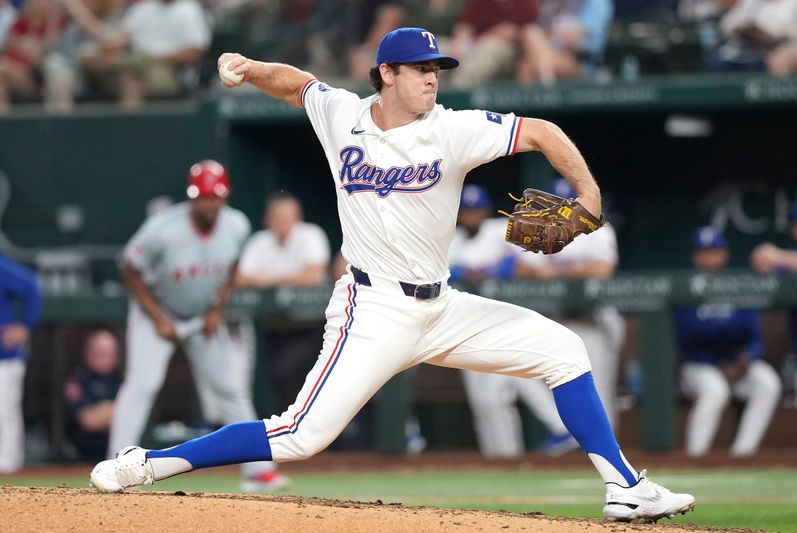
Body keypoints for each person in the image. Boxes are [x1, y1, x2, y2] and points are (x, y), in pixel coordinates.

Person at [90, 27, 695, 523]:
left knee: (564, 350)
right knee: (301, 435)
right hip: (372, 311)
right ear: (387, 74)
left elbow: (540, 132)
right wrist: (246, 66)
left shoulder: (453, 129)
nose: (433, 76)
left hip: (443, 307)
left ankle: (624, 487)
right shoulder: (343, 116)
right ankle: (151, 463)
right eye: (419, 67)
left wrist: (587, 193)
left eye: (437, 67)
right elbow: (297, 85)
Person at [106, 159, 288, 492]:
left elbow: (232, 266)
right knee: (142, 385)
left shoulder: (236, 225)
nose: (208, 202)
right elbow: (129, 268)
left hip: (201, 316)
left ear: (224, 197)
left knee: (231, 389)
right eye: (202, 196)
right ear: (192, 197)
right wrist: (159, 318)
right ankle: (115, 468)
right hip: (156, 313)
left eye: (214, 196)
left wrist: (217, 309)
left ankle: (259, 471)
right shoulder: (162, 228)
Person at [450, 184, 577, 458]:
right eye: (466, 211)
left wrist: (494, 270)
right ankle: (500, 457)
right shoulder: (452, 239)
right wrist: (469, 273)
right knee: (485, 400)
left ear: (484, 211)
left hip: (503, 321)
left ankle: (550, 432)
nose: (471, 216)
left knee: (512, 376)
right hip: (466, 327)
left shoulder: (500, 230)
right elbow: (445, 271)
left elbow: (530, 266)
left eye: (475, 211)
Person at [517, 177, 625, 431]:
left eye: (569, 205)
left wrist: (555, 272)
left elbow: (603, 269)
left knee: (599, 386)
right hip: (556, 317)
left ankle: (609, 449)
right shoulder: (540, 229)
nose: (564, 211)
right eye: (559, 206)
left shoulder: (599, 229)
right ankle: (564, 432)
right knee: (523, 371)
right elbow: (523, 269)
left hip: (595, 316)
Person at [675, 226, 781, 457]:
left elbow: (753, 334)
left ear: (724, 254)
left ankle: (742, 455)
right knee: (716, 390)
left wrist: (747, 358)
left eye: (714, 252)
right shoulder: (685, 286)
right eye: (703, 252)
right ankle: (695, 457)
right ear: (695, 256)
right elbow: (688, 337)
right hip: (698, 367)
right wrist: (718, 357)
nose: (709, 258)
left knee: (768, 383)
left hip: (735, 367)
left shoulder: (738, 286)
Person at [231, 191, 331, 413]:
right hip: (275, 327)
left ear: (299, 218)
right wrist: (289, 279)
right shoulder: (260, 241)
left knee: (291, 372)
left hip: (312, 326)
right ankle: (294, 430)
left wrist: (267, 280)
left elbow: (313, 276)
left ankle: (308, 424)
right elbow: (240, 278)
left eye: (288, 216)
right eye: (277, 216)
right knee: (278, 377)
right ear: (267, 219)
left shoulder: (311, 235)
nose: (283, 222)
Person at [750, 202, 797, 408]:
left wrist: (778, 256)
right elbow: (764, 266)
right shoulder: (788, 258)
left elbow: (778, 257)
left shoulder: (785, 257)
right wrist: (763, 258)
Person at [0, 253, 42, 473]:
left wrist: (25, 325)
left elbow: (32, 286)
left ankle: (8, 466)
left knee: (4, 411)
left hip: (4, 358)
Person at [64, 329, 123, 461]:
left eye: (109, 354)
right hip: (81, 454)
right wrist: (114, 412)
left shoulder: (121, 381)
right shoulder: (79, 378)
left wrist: (106, 412)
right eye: (99, 354)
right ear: (88, 355)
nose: (105, 359)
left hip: (115, 454)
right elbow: (87, 420)